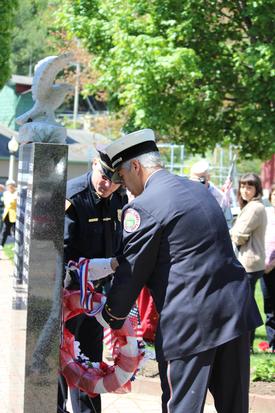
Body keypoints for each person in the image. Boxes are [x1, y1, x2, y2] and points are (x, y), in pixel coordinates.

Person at [89, 128, 262, 413]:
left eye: (123, 176)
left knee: (181, 407)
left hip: (190, 324)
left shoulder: (143, 207)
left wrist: (110, 317)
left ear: (135, 166)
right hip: (234, 312)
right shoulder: (198, 190)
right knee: (234, 406)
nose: (123, 185)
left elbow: (132, 272)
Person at [58, 151, 127, 413]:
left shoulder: (118, 198)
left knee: (90, 360)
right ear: (94, 165)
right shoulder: (73, 197)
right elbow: (61, 252)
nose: (106, 184)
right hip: (69, 294)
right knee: (64, 358)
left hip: (96, 295)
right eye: (103, 176)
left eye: (114, 181)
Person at [230, 173, 267, 351]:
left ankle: (246, 345)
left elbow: (239, 235)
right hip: (251, 262)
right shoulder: (252, 206)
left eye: (249, 187)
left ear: (257, 189)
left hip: (249, 263)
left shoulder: (254, 208)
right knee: (246, 304)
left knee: (244, 306)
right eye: (243, 186)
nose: (245, 190)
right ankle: (246, 344)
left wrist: (229, 232)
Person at [190, 159, 233, 228]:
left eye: (201, 180)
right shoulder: (187, 192)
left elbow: (227, 221)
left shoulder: (219, 197)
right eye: (193, 181)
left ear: (208, 177)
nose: (196, 185)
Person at [261, 184, 275, 351]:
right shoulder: (265, 213)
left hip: (273, 265)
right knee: (269, 305)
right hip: (263, 266)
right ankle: (272, 343)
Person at [0, 179, 17, 251]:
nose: (10, 187)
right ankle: (1, 245)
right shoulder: (5, 193)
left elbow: (11, 202)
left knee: (16, 231)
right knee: (4, 230)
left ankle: (16, 246)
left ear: (14, 186)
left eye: (11, 186)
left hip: (15, 215)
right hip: (7, 214)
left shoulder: (17, 193)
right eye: (8, 186)